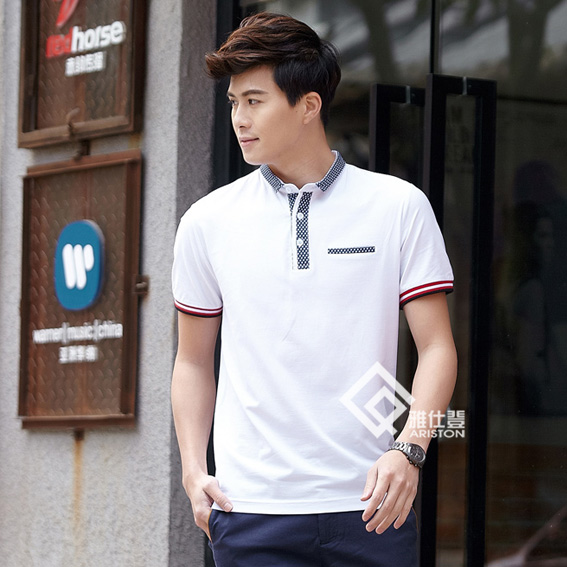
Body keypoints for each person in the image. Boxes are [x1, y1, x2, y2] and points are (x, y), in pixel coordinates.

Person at [171, 12, 457, 567]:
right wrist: (192, 468)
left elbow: (438, 348)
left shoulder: (397, 206)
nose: (239, 118)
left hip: (371, 507)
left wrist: (411, 450)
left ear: (308, 105)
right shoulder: (207, 221)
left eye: (255, 101)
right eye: (234, 102)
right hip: (249, 509)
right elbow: (193, 361)